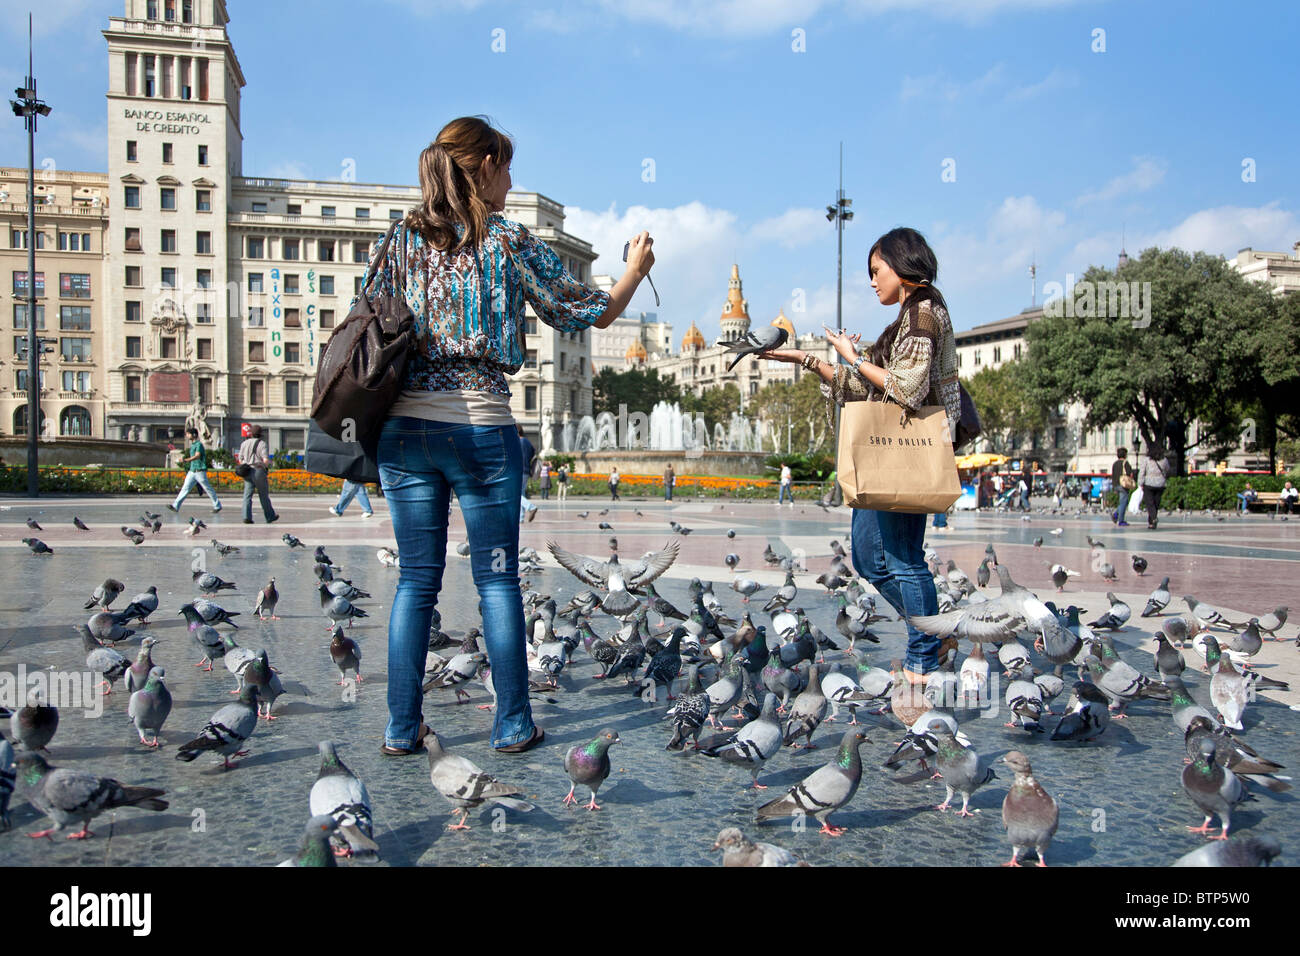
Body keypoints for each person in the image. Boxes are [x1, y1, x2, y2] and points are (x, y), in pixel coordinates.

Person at [365, 116, 655, 756]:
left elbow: (370, 322)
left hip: (405, 430)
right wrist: (634, 270)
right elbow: (586, 309)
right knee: (497, 579)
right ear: (487, 165)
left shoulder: (398, 240)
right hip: (479, 427)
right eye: (507, 166)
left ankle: (400, 727)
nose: (512, 179)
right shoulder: (504, 239)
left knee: (416, 581)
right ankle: (512, 724)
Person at [761, 226, 959, 685]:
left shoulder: (926, 312)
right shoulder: (901, 323)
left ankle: (923, 659)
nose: (872, 281)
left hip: (905, 450)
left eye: (876, 270)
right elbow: (857, 386)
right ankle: (931, 633)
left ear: (901, 264)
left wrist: (852, 355)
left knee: (905, 559)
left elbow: (906, 388)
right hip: (883, 450)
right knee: (869, 560)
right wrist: (804, 359)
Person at [168, 426, 222, 513]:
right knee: (185, 488)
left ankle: (217, 505)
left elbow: (197, 456)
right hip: (192, 471)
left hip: (199, 470)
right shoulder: (193, 445)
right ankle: (175, 506)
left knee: (208, 488)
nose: (187, 435)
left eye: (188, 434)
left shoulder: (198, 444)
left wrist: (185, 460)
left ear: (194, 435)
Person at [237, 424, 278, 524]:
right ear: (260, 434)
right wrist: (268, 464)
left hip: (247, 471)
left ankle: (246, 516)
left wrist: (246, 464)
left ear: (251, 434)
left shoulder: (244, 443)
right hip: (258, 470)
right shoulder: (262, 444)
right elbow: (265, 460)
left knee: (247, 495)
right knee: (263, 495)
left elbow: (240, 459)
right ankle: (270, 516)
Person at [1139, 446, 1171, 529]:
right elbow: (1167, 469)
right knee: (1156, 503)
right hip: (1160, 483)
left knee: (1150, 503)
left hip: (1149, 483)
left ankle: (1153, 518)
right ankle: (1151, 522)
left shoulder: (1146, 460)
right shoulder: (1164, 460)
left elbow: (1142, 471)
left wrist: (1140, 482)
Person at [517, 425, 538, 523]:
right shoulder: (527, 442)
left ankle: (531, 507)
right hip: (526, 471)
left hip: (518, 471)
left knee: (516, 494)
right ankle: (520, 518)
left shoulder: (516, 442)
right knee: (521, 493)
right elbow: (533, 455)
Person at [1111, 447, 1134, 526]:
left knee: (1123, 502)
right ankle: (1121, 520)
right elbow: (1130, 474)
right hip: (1123, 485)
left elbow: (1113, 476)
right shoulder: (1125, 463)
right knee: (1124, 502)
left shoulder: (1115, 464)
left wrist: (1114, 487)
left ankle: (1116, 514)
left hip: (1116, 485)